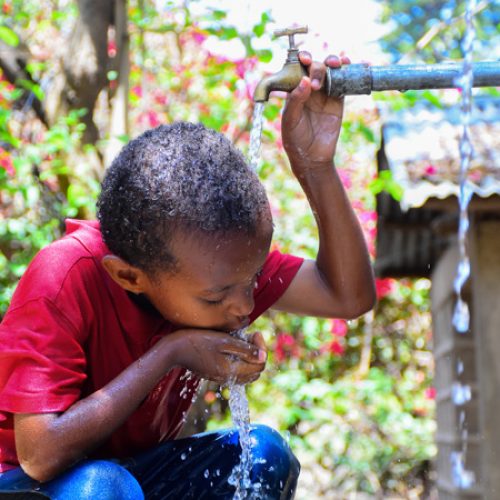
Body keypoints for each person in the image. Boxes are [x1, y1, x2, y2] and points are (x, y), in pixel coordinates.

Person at [0, 51, 375, 499]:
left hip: (130, 477)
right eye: (217, 300)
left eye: (252, 281)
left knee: (262, 454)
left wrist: (314, 167)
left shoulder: (217, 267)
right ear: (129, 278)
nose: (242, 305)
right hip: (24, 484)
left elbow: (348, 297)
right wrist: (171, 351)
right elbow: (39, 455)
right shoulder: (65, 275)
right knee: (104, 485)